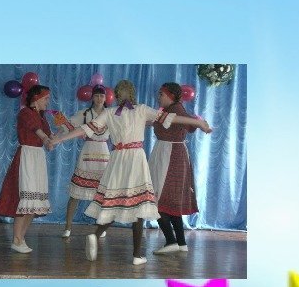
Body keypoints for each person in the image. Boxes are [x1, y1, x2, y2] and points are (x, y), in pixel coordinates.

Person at [49, 80, 211, 265]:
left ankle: (96, 234)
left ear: (117, 96)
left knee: (113, 201)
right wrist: (199, 123)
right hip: (135, 159)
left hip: (117, 159)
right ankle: (136, 255)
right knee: (139, 204)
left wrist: (58, 140)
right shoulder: (141, 109)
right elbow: (173, 118)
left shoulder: (109, 112)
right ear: (133, 94)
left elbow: (84, 129)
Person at [0, 85, 54, 253]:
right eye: (46, 98)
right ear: (36, 99)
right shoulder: (25, 113)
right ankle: (16, 239)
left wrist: (64, 130)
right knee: (25, 199)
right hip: (27, 157)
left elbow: (49, 138)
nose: (48, 102)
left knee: (34, 203)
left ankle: (21, 237)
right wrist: (46, 139)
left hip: (38, 157)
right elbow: (38, 131)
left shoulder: (42, 117)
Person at [148, 82, 201, 254]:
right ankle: (181, 243)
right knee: (169, 201)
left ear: (170, 96)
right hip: (167, 153)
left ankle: (172, 241)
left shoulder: (176, 110)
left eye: (161, 94)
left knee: (158, 200)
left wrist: (201, 123)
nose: (158, 97)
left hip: (170, 156)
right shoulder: (170, 110)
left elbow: (190, 125)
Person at [60, 85, 111, 238]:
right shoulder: (84, 113)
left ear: (106, 98)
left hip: (104, 154)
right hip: (87, 152)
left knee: (103, 194)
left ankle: (101, 226)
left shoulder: (111, 114)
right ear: (92, 97)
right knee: (75, 194)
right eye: (96, 95)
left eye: (102, 96)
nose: (99, 98)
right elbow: (68, 126)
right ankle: (68, 227)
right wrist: (58, 123)